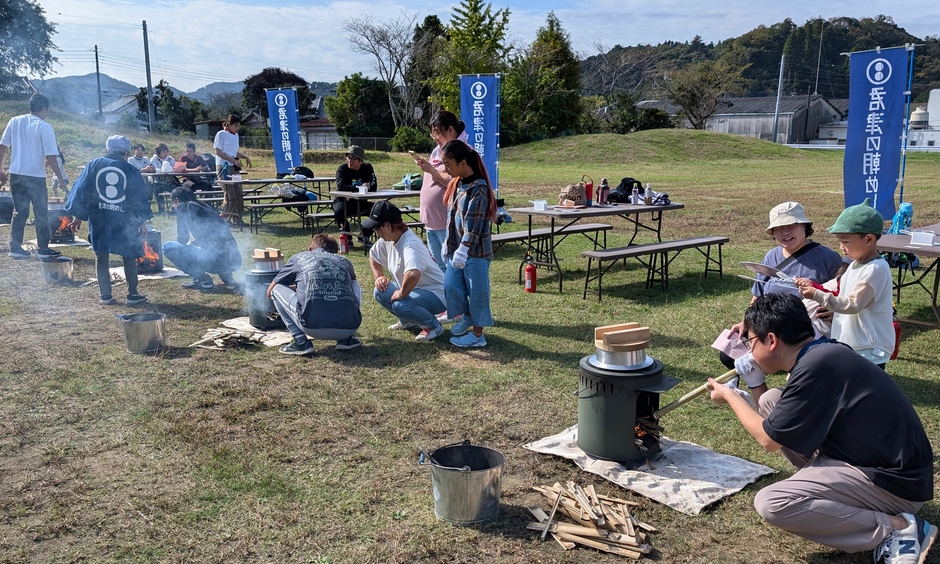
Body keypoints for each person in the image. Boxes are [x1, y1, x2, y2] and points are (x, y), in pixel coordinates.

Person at [708, 293, 935, 564]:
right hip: (869, 463)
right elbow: (777, 425)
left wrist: (732, 396)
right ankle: (825, 489)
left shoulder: (818, 366)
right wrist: (756, 384)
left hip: (894, 486)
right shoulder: (820, 353)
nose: (749, 350)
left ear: (771, 341)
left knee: (773, 502)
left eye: (750, 342)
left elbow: (767, 439)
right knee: (771, 401)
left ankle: (897, 527)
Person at [724, 201, 843, 402]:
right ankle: (763, 365)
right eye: (778, 228)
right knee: (728, 354)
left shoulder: (828, 258)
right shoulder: (771, 256)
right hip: (768, 325)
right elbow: (758, 295)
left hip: (803, 330)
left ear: (805, 226)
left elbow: (843, 292)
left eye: (790, 226)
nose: (784, 233)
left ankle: (769, 367)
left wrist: (835, 310)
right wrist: (747, 322)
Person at [796, 198, 895, 369]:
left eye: (845, 241)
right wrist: (814, 286)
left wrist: (816, 295)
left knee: (864, 392)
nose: (841, 247)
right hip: (854, 344)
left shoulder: (874, 269)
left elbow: (853, 304)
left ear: (869, 239)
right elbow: (840, 290)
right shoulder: (856, 264)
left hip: (869, 349)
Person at [65, 135, 152, 305]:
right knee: (129, 254)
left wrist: (78, 217)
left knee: (101, 255)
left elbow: (81, 190)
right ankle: (132, 294)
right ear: (126, 152)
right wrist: (142, 223)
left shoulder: (94, 165)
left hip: (99, 218)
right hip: (124, 220)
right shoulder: (131, 170)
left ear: (107, 149)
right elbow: (138, 199)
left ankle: (105, 296)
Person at [267, 233, 362, 356]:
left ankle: (301, 342)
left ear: (309, 249)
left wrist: (294, 288)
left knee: (277, 289)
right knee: (354, 284)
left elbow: (270, 291)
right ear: (335, 252)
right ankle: (346, 339)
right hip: (349, 327)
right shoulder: (345, 261)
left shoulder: (299, 258)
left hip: (311, 326)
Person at [440, 140, 496, 348]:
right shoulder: (457, 183)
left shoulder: (478, 188)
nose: (446, 168)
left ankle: (478, 335)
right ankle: (467, 316)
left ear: (462, 163)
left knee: (478, 292)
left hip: (475, 252)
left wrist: (464, 248)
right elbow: (452, 217)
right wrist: (448, 243)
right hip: (457, 249)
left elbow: (474, 223)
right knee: (451, 285)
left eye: (448, 163)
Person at [0, 93, 69, 260]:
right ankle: (43, 249)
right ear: (44, 109)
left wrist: (1, 168)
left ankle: (15, 247)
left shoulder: (15, 121)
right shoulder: (44, 127)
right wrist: (60, 179)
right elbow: (52, 157)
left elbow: (3, 145)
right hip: (35, 177)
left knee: (19, 212)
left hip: (16, 174)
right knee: (40, 213)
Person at [364, 201, 447, 341]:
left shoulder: (410, 244)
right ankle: (409, 321)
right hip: (416, 290)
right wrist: (379, 276)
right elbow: (374, 256)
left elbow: (414, 273)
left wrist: (402, 293)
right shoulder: (388, 239)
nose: (375, 232)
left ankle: (433, 326)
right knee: (380, 291)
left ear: (387, 226)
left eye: (376, 228)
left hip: (437, 294)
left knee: (401, 304)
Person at [414, 111, 469, 272]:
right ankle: (446, 298)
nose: (434, 137)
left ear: (450, 130)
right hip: (431, 222)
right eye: (432, 133)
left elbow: (457, 182)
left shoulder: (463, 151)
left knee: (453, 269)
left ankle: (455, 298)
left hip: (447, 223)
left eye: (437, 132)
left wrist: (431, 170)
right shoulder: (438, 151)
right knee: (441, 270)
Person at [162, 186, 241, 290]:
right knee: (213, 246)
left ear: (177, 200)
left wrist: (189, 247)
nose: (174, 206)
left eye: (173, 203)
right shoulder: (205, 206)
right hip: (234, 261)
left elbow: (182, 238)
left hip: (215, 262)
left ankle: (202, 278)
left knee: (168, 247)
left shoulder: (183, 207)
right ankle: (227, 277)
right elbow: (215, 235)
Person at [333, 145, 378, 246]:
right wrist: (359, 188)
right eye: (348, 157)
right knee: (339, 211)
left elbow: (374, 186)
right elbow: (341, 186)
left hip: (361, 202)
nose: (350, 161)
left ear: (360, 161)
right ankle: (347, 238)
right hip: (344, 201)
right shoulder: (342, 169)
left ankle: (364, 235)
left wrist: (368, 186)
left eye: (353, 159)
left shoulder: (367, 168)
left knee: (379, 209)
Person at [213, 114, 251, 180]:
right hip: (223, 166)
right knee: (229, 189)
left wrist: (245, 157)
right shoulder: (221, 134)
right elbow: (218, 152)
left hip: (234, 166)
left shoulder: (236, 135)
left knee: (238, 189)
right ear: (229, 124)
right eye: (236, 126)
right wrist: (234, 160)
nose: (237, 128)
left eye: (239, 126)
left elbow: (234, 152)